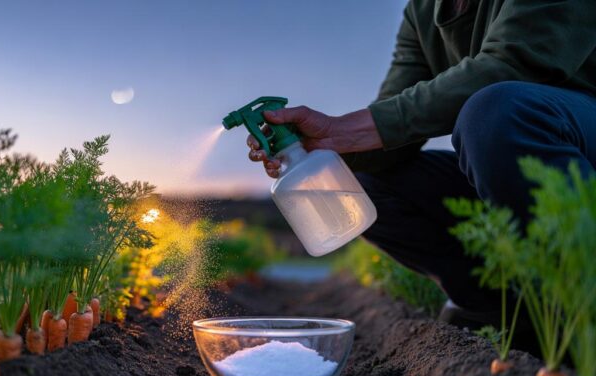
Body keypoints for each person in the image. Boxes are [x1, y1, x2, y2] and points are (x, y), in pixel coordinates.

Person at [245, 0, 596, 329]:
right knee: (360, 180)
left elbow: (511, 64)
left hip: (577, 150)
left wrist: (347, 131)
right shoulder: (423, 11)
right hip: (518, 163)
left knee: (494, 114)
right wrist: (319, 148)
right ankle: (502, 310)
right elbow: (392, 123)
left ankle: (584, 298)